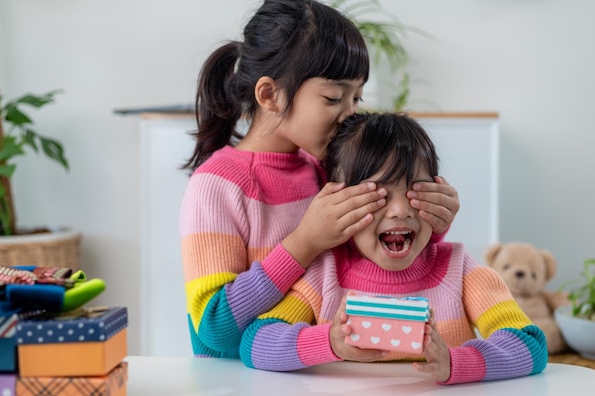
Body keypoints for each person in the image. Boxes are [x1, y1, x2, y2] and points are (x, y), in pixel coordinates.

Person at [179, 0, 460, 359]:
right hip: (240, 387)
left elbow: (368, 252)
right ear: (270, 95)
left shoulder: (322, 167)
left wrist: (432, 222)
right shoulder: (217, 186)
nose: (350, 114)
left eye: (356, 97)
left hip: (317, 378)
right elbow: (214, 329)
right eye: (333, 97)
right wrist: (305, 242)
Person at [239, 112, 547, 385]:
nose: (400, 210)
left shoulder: (459, 269)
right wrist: (330, 342)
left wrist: (456, 362)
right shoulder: (325, 273)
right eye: (379, 194)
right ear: (340, 204)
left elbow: (530, 344)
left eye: (415, 190)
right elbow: (255, 343)